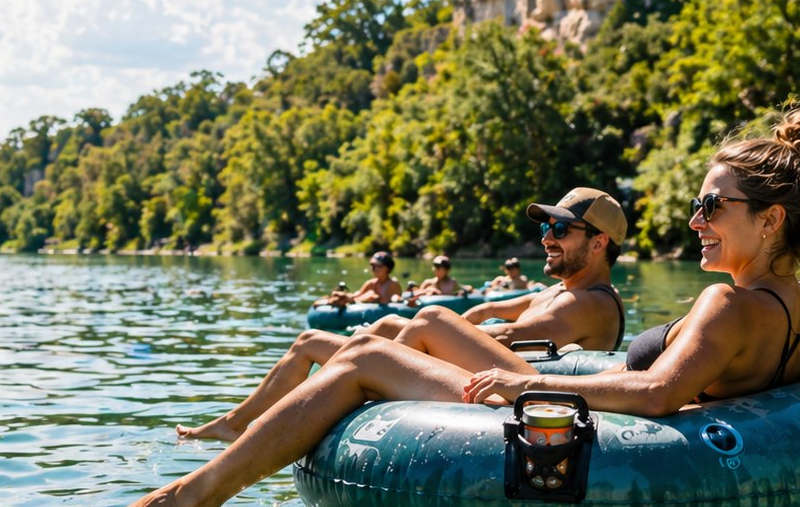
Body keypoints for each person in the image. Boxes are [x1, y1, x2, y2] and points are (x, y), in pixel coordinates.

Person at [90, 107, 800, 507]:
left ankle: (192, 498)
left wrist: (520, 383)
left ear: (769, 220)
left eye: (712, 205)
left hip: (572, 419)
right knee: (379, 340)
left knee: (362, 360)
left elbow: (663, 393)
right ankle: (204, 478)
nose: (696, 217)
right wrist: (782, 399)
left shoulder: (727, 302)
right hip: (636, 420)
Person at [174, 188, 627, 442]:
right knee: (332, 337)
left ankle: (352, 385)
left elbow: (508, 335)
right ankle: (238, 422)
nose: (547, 237)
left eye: (561, 229)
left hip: (522, 394)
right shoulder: (557, 291)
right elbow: (490, 310)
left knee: (430, 320)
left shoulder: (589, 302)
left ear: (600, 242)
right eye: (547, 227)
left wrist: (438, 329)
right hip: (492, 372)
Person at [315, 251, 401, 307]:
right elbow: (356, 296)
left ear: (388, 268)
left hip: (384, 315)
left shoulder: (393, 284)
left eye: (378, 266)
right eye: (372, 266)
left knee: (371, 294)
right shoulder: (370, 283)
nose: (374, 269)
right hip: (365, 311)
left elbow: (391, 302)